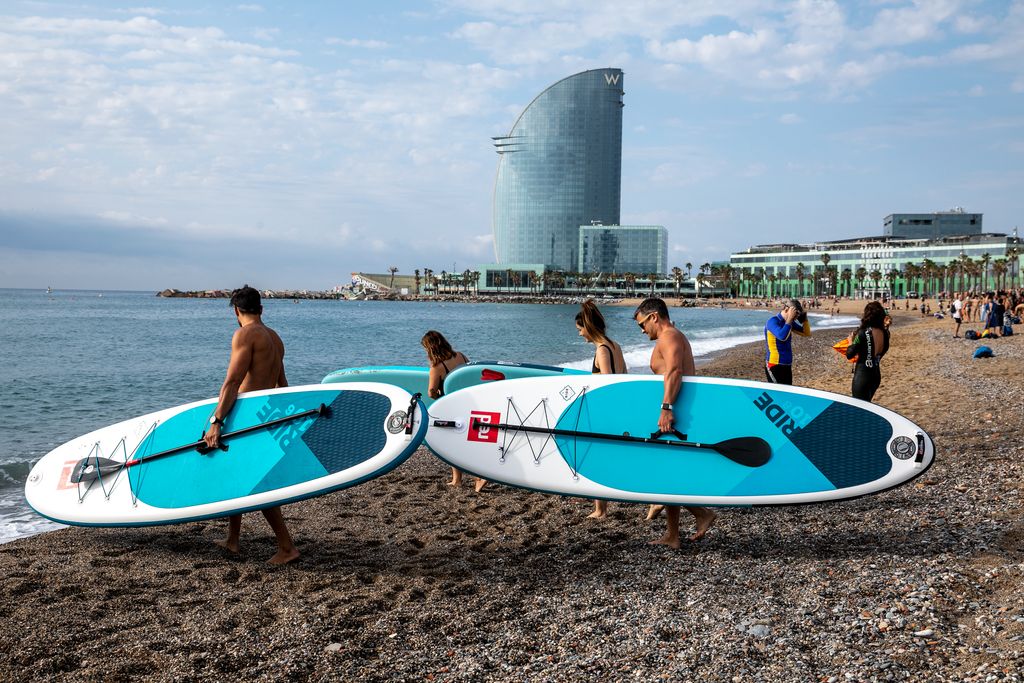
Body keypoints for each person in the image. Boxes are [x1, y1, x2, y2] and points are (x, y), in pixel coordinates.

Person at [202, 285, 299, 565]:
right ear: (261, 309)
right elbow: (283, 386)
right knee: (239, 475)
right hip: (267, 414)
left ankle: (287, 547)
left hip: (245, 416)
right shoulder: (275, 338)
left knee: (257, 482)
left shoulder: (245, 334)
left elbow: (233, 382)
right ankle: (233, 539)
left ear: (236, 311)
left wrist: (217, 421)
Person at [634, 298, 716, 548]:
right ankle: (674, 534)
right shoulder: (671, 336)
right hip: (677, 405)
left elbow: (674, 372)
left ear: (654, 317)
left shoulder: (668, 337)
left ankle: (701, 514)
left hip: (676, 408)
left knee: (666, 471)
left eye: (642, 324)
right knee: (668, 471)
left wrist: (666, 407)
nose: (642, 330)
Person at [575, 300, 627, 519]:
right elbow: (624, 376)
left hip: (605, 411)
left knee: (597, 458)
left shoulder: (602, 350)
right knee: (606, 457)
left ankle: (600, 510)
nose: (580, 335)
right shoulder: (614, 345)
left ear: (589, 327)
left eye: (580, 330)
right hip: (618, 407)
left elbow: (606, 383)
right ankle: (600, 508)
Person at [422, 330, 485, 492]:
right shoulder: (461, 356)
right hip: (469, 403)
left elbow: (431, 391)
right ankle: (469, 477)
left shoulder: (437, 367)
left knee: (452, 444)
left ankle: (471, 478)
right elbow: (470, 375)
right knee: (469, 441)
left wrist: (438, 399)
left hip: (452, 408)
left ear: (430, 349)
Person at [845, 301, 890, 402]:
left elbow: (849, 354)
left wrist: (850, 341)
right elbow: (882, 352)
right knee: (867, 404)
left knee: (859, 409)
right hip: (875, 376)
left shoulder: (862, 333)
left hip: (862, 377)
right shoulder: (885, 334)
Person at [763, 298, 812, 385]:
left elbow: (806, 333)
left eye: (796, 316)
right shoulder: (773, 321)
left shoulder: (789, 323)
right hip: (774, 365)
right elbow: (782, 336)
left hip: (787, 364)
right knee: (778, 394)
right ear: (786, 309)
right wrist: (790, 319)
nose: (794, 318)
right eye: (794, 314)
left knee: (786, 394)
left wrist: (805, 320)